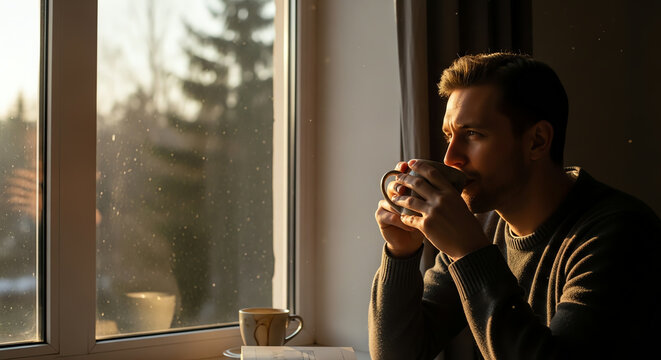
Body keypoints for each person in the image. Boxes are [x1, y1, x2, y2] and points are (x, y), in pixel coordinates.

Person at [369, 52, 661, 359]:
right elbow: (396, 355)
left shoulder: (621, 234)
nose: (450, 158)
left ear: (536, 141)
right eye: (449, 136)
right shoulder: (484, 225)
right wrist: (401, 253)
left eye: (472, 134)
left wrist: (470, 253)